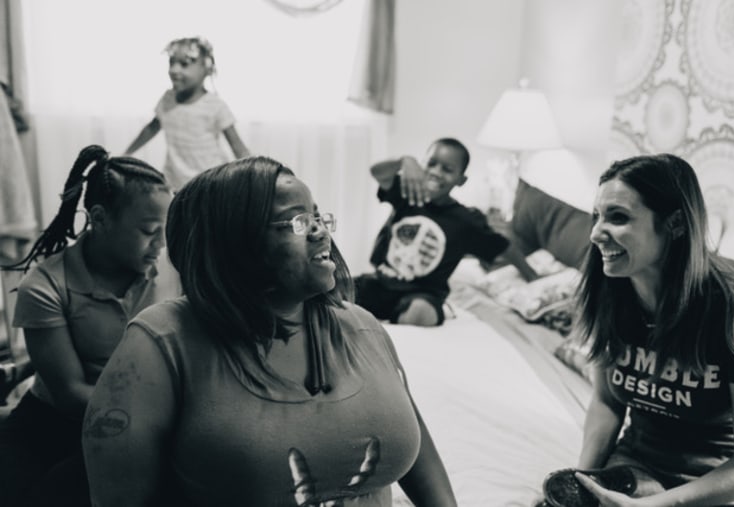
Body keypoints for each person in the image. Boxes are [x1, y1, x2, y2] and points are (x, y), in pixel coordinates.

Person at [82, 156, 458, 506]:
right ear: (232, 241)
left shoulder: (363, 327)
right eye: (296, 221)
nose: (320, 233)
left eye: (317, 217)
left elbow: (423, 461)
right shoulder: (161, 343)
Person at [540, 154, 734, 507]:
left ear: (674, 224)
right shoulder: (607, 295)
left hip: (718, 482)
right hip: (637, 468)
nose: (596, 233)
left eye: (618, 217)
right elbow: (606, 401)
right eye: (597, 216)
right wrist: (582, 482)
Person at [0, 145, 172, 506]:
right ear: (99, 217)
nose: (161, 243)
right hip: (56, 423)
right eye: (149, 230)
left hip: (148, 420)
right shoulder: (45, 285)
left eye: (165, 230)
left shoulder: (173, 271)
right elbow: (70, 392)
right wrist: (161, 419)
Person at [354, 137, 536, 327]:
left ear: (461, 180)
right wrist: (404, 161)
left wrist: (531, 275)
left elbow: (503, 247)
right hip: (380, 282)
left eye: (447, 170)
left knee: (420, 312)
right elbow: (377, 172)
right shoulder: (407, 192)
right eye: (431, 164)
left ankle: (397, 327)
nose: (436, 173)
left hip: (422, 294)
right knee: (334, 288)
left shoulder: (466, 221)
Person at [125, 36, 250, 190]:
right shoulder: (167, 99)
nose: (174, 70)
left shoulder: (215, 105)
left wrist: (256, 176)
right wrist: (127, 154)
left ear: (206, 69)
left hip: (209, 182)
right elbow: (152, 128)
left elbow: (238, 147)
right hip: (174, 181)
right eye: (172, 63)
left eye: (184, 64)